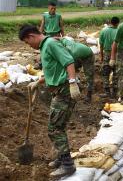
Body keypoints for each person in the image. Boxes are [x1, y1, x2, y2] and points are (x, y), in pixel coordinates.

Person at [19, 25, 80, 178]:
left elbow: (69, 62)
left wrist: (72, 82)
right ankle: (61, 157)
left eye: (27, 42)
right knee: (58, 126)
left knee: (54, 128)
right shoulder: (46, 46)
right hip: (59, 90)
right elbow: (53, 69)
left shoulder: (51, 44)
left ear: (32, 36)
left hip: (64, 90)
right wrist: (38, 82)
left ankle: (67, 164)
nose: (29, 46)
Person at [57, 37, 95, 103]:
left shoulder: (70, 54)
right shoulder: (64, 42)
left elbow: (69, 66)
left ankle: (89, 94)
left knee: (89, 75)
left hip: (88, 55)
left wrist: (72, 81)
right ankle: (76, 85)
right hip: (79, 55)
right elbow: (61, 39)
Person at [99, 17, 120, 99]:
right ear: (118, 23)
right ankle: (114, 93)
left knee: (105, 73)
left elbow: (101, 44)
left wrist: (101, 55)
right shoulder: (119, 31)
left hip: (107, 53)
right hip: (117, 54)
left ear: (110, 22)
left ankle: (107, 92)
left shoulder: (104, 31)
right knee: (116, 73)